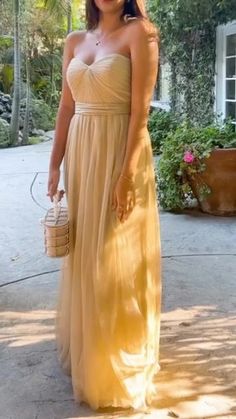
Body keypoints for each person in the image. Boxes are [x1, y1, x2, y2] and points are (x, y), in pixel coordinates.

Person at [47, 0, 162, 412]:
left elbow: (140, 112)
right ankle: (90, 353)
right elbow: (66, 105)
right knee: (86, 256)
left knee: (116, 258)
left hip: (119, 151)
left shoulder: (141, 34)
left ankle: (117, 362)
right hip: (82, 154)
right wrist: (54, 165)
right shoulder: (74, 40)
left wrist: (127, 174)